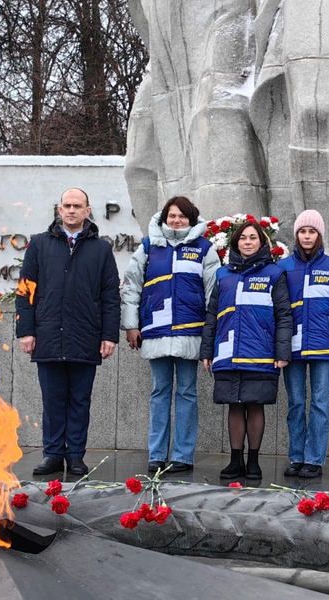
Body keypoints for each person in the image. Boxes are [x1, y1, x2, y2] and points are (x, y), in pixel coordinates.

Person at [16, 188, 121, 477]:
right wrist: (26, 331)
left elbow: (110, 296)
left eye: (77, 206)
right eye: (66, 205)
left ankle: (75, 455)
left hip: (85, 336)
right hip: (48, 335)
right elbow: (26, 292)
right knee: (52, 400)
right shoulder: (39, 245)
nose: (71, 210)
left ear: (88, 211)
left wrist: (109, 336)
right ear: (59, 210)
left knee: (79, 400)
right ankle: (52, 454)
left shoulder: (101, 249)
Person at [120, 197, 220, 474]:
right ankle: (156, 454)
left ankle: (183, 456)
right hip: (156, 332)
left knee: (187, 392)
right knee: (159, 392)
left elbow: (214, 294)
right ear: (164, 218)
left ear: (191, 218)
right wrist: (131, 325)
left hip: (191, 332)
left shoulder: (204, 249)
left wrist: (211, 335)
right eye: (171, 216)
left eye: (182, 216)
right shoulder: (149, 246)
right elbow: (131, 286)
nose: (176, 221)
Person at [200, 222, 292, 480]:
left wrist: (282, 352)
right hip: (228, 351)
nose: (248, 242)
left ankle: (253, 461)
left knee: (255, 404)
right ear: (235, 243)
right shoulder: (223, 275)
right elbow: (212, 316)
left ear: (262, 243)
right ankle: (235, 460)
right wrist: (207, 351)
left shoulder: (274, 274)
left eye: (253, 237)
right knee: (234, 406)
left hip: (261, 352)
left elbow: (284, 315)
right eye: (243, 238)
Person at [277, 210, 329, 479]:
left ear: (319, 235)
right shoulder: (283, 268)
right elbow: (278, 310)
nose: (307, 236)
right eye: (302, 231)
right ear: (296, 235)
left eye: (312, 232)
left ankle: (314, 459)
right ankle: (296, 456)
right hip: (294, 347)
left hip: (325, 347)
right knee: (296, 403)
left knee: (320, 403)